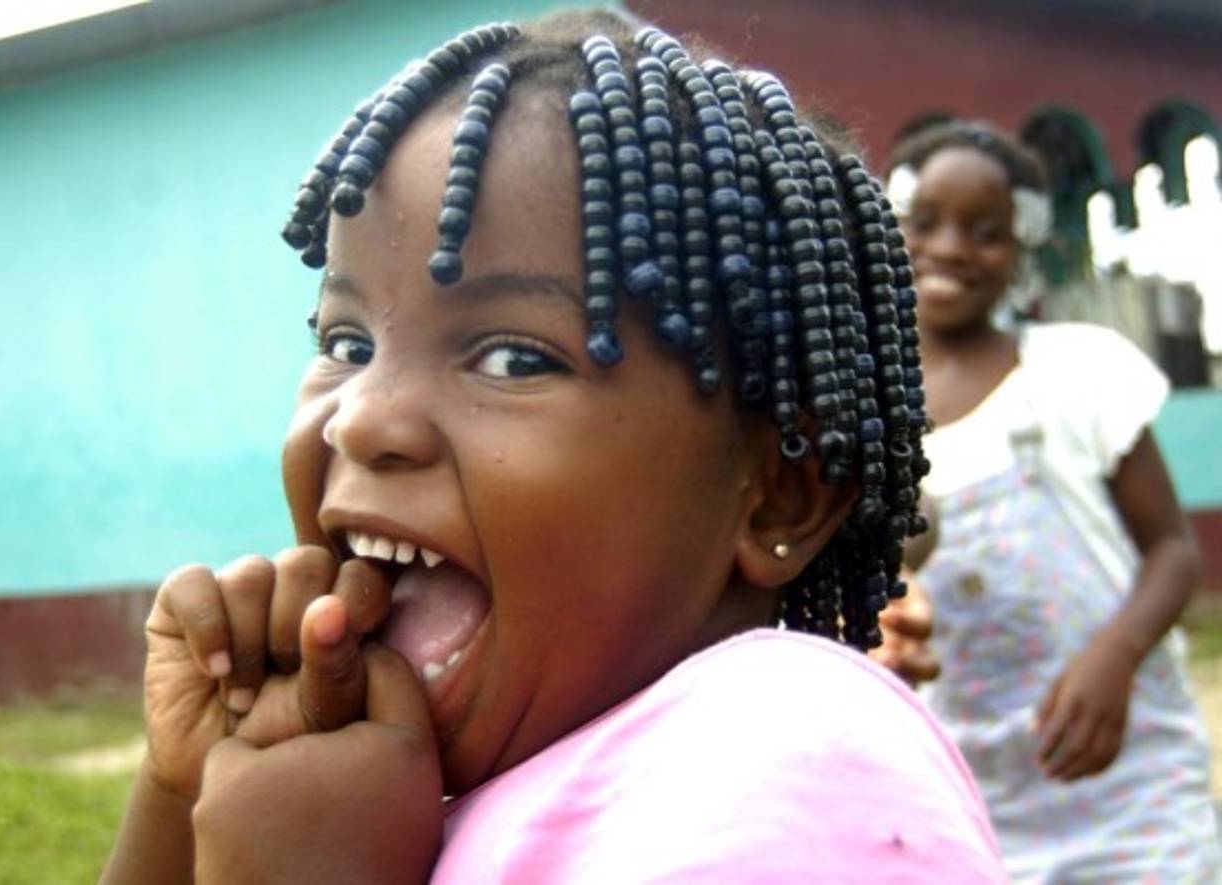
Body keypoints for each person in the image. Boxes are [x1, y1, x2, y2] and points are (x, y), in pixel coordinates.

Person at [101, 12, 1006, 882]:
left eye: (511, 356)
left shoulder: (795, 765)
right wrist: (184, 789)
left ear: (778, 495)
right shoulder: (461, 772)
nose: (360, 419)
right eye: (347, 344)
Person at [886, 119, 1219, 882]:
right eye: (925, 221)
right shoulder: (870, 410)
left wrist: (1115, 655)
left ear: (1024, 245)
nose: (949, 248)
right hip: (968, 799)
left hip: (1130, 787)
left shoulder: (1080, 372)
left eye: (986, 230)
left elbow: (1172, 549)